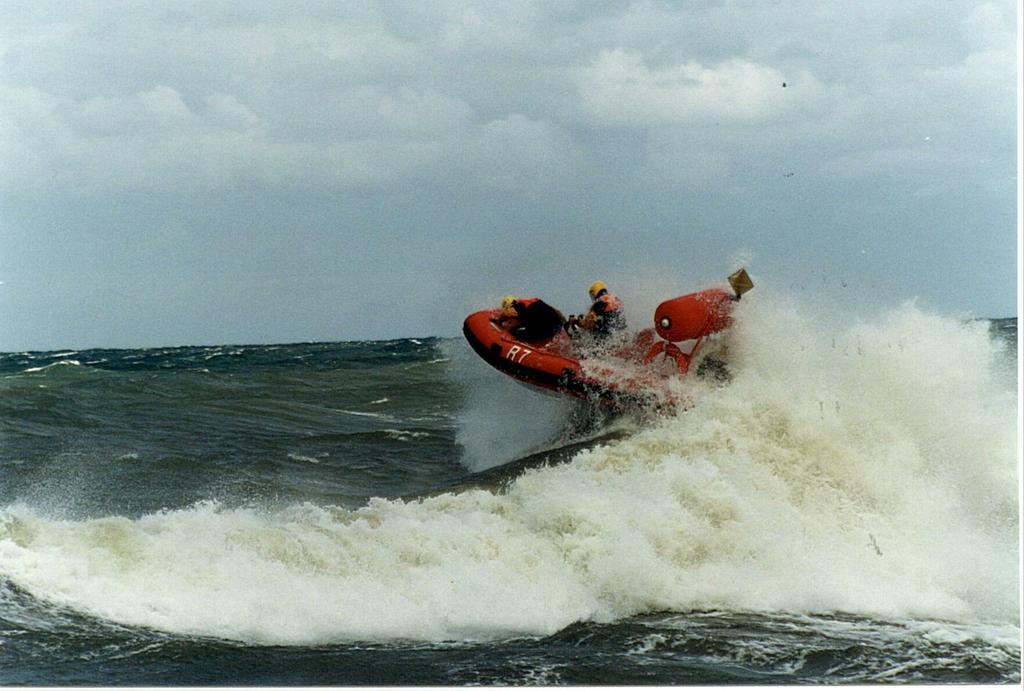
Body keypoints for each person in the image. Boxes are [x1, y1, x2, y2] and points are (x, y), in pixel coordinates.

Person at [493, 295, 566, 343]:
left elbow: (505, 314)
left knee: (516, 331)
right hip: (557, 323)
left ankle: (526, 343)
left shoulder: (517, 307)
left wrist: (498, 322)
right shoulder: (531, 301)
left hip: (545, 326)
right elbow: (558, 312)